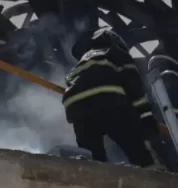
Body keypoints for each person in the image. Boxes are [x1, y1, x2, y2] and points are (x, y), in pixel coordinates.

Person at [61, 27, 159, 165]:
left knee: (91, 158)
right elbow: (134, 88)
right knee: (138, 147)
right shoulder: (117, 53)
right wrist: (147, 119)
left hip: (76, 108)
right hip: (108, 101)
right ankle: (152, 171)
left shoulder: (82, 61)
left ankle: (94, 175)